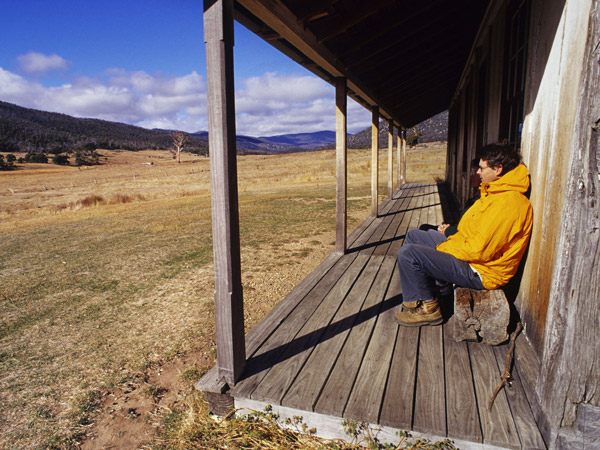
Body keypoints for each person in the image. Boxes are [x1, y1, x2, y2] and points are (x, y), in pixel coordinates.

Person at [395, 143, 533, 327]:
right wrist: (449, 240)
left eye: (481, 168)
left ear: (498, 169)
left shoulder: (508, 204)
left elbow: (478, 250)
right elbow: (470, 233)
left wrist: (444, 248)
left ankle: (429, 309)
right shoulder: (495, 193)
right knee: (414, 236)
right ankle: (440, 294)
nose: (477, 172)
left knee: (409, 253)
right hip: (470, 253)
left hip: (482, 271)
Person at [419, 158, 481, 237]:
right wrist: (447, 227)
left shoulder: (481, 201)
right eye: (472, 172)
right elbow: (463, 224)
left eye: (475, 173)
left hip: (457, 238)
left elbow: (467, 230)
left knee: (418, 232)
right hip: (455, 231)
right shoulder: (477, 197)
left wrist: (446, 230)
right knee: (424, 228)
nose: (471, 175)